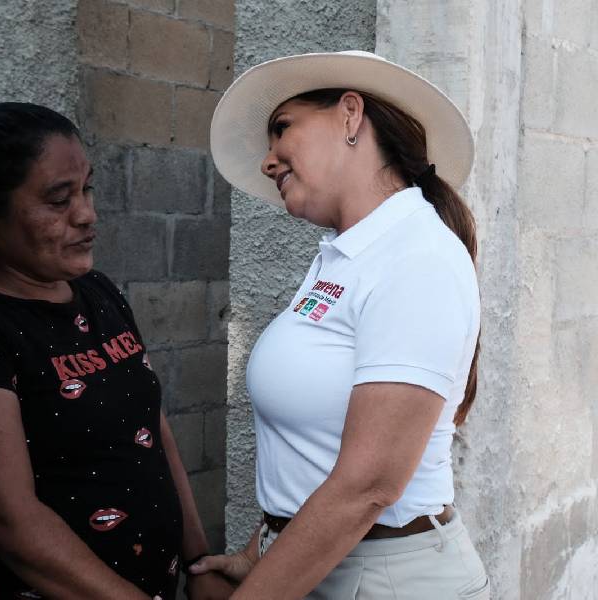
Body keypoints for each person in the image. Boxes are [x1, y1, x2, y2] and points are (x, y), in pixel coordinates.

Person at [190, 51, 489, 599]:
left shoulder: (416, 255)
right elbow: (314, 451)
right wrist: (260, 550)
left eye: (282, 129)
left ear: (351, 115)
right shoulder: (346, 256)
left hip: (388, 581)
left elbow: (369, 485)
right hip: (326, 569)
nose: (267, 160)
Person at [0, 102, 232, 600]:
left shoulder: (98, 292)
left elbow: (153, 429)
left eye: (87, 188)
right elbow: (7, 520)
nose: (87, 214)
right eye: (59, 200)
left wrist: (199, 560)